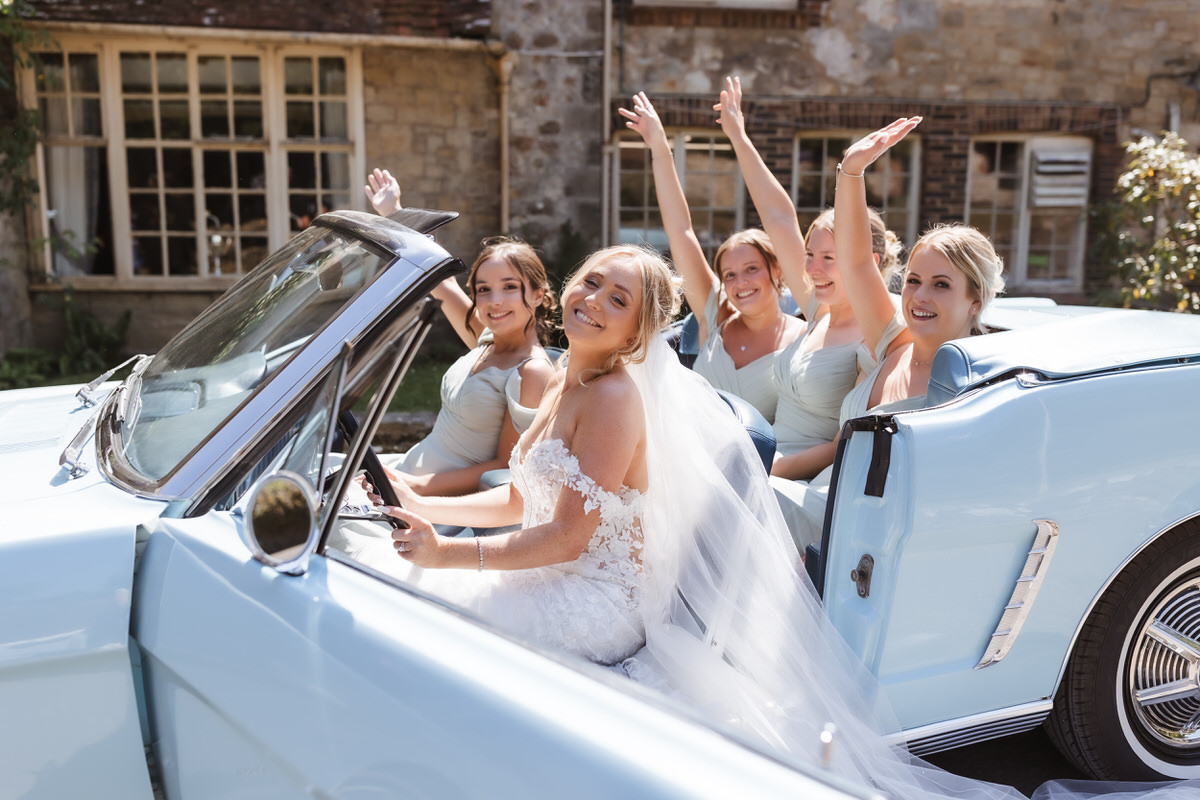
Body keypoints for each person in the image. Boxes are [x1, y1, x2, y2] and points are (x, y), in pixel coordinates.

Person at [344, 244, 680, 665]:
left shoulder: (613, 397)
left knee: (411, 604)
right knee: (372, 573)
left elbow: (568, 538)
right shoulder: (561, 379)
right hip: (545, 571)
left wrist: (443, 554)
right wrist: (420, 504)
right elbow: (521, 498)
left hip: (597, 598)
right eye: (591, 282)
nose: (593, 299)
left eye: (618, 299)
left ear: (635, 332)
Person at [781, 117, 1007, 550]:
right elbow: (857, 262)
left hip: (864, 540)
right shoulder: (894, 341)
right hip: (817, 504)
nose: (919, 296)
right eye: (914, 281)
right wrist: (851, 171)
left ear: (975, 300)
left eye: (941, 285)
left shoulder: (972, 383)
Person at [713, 76, 902, 486]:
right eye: (810, 255)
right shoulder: (819, 307)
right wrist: (738, 136)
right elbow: (778, 217)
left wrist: (765, 472)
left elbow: (844, 444)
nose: (812, 269)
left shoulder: (878, 337)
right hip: (760, 458)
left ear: (861, 264)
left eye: (829, 259)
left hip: (797, 482)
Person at [362, 169, 557, 496]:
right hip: (403, 474)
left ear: (538, 295)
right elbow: (441, 280)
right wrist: (394, 212)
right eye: (483, 289)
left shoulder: (532, 372)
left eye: (510, 287)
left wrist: (412, 487)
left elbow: (503, 468)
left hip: (434, 501)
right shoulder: (487, 338)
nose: (494, 301)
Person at [619, 92, 805, 424]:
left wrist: (739, 136)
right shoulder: (715, 316)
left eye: (751, 269)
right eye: (729, 274)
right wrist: (661, 149)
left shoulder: (806, 336)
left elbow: (781, 218)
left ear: (776, 269)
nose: (740, 282)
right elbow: (681, 231)